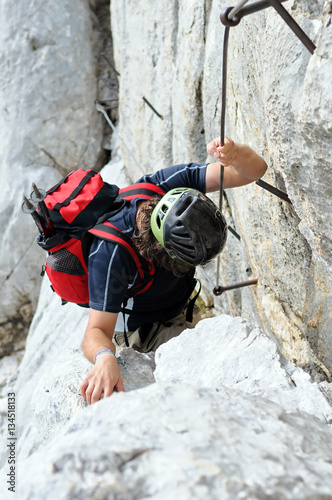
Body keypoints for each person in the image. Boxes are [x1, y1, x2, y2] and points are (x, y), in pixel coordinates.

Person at [80, 137, 267, 404]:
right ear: (163, 251)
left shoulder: (165, 187)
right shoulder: (111, 253)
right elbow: (95, 332)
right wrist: (105, 357)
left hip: (180, 308)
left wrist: (236, 154)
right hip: (142, 332)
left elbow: (255, 170)